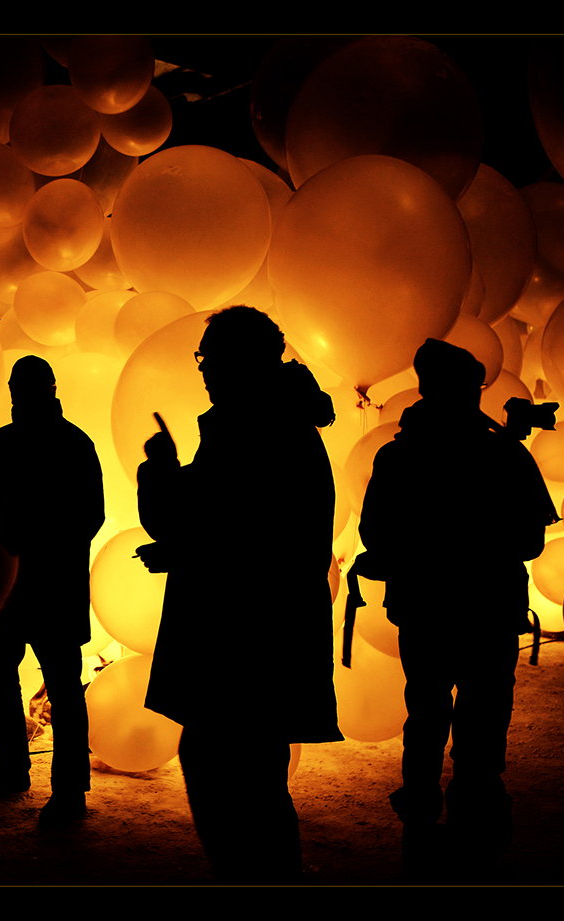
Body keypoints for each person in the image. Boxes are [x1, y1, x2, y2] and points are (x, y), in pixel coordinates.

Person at [135, 305, 342, 884]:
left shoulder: (245, 429)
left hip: (236, 637)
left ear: (238, 360)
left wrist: (159, 473)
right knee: (254, 775)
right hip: (273, 629)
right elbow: (250, 528)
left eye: (209, 357)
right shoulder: (286, 424)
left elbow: (196, 517)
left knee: (222, 768)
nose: (202, 370)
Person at [358, 338, 557, 870]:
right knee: (484, 720)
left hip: (425, 610)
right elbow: (531, 543)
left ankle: (421, 824)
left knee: (425, 715)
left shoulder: (398, 456)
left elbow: (376, 536)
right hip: (488, 612)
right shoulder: (503, 454)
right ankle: (474, 824)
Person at [0, 355, 104, 828]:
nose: (21, 397)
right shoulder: (69, 444)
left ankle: (49, 783)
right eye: (18, 389)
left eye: (25, 388)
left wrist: (22, 537)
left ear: (45, 389)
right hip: (30, 586)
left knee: (54, 684)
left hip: (33, 586)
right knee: (17, 676)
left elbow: (88, 516)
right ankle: (23, 773)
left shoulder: (24, 444)